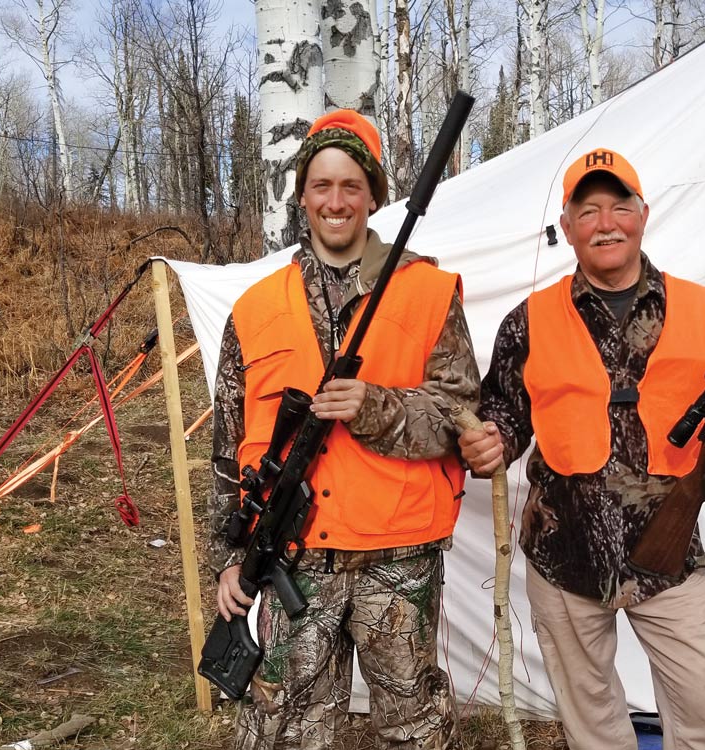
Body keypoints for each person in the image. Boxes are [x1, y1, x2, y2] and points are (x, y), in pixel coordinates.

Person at [459, 148, 705, 750]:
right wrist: (490, 443)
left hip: (670, 558)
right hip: (563, 558)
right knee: (593, 725)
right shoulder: (526, 322)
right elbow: (505, 412)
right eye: (588, 211)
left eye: (619, 207)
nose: (605, 223)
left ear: (643, 214)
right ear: (567, 228)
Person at [208, 109, 479, 750]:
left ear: (374, 196)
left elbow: (462, 414)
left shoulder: (428, 291)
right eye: (322, 185)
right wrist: (229, 556)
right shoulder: (254, 309)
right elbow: (225, 450)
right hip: (291, 557)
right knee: (282, 736)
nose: (336, 202)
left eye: (351, 186)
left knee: (414, 734)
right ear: (303, 194)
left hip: (398, 561)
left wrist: (376, 407)